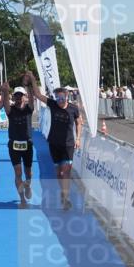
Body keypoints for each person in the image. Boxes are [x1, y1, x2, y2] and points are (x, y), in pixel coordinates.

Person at [26, 70, 82, 210]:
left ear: (67, 97)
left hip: (68, 144)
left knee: (65, 172)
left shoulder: (74, 109)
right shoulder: (52, 104)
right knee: (58, 173)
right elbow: (38, 95)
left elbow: (79, 122)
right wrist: (33, 79)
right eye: (58, 98)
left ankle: (65, 197)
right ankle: (63, 194)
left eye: (62, 98)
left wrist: (78, 138)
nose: (60, 101)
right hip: (54, 143)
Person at [2, 82, 35, 206]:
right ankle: (22, 199)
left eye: (21, 95)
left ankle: (28, 186)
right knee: (18, 173)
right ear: (13, 97)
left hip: (27, 144)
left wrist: (30, 84)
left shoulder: (29, 108)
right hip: (14, 145)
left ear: (24, 96)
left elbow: (32, 98)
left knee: (28, 172)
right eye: (16, 95)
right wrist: (5, 91)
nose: (19, 98)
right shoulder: (11, 110)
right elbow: (5, 104)